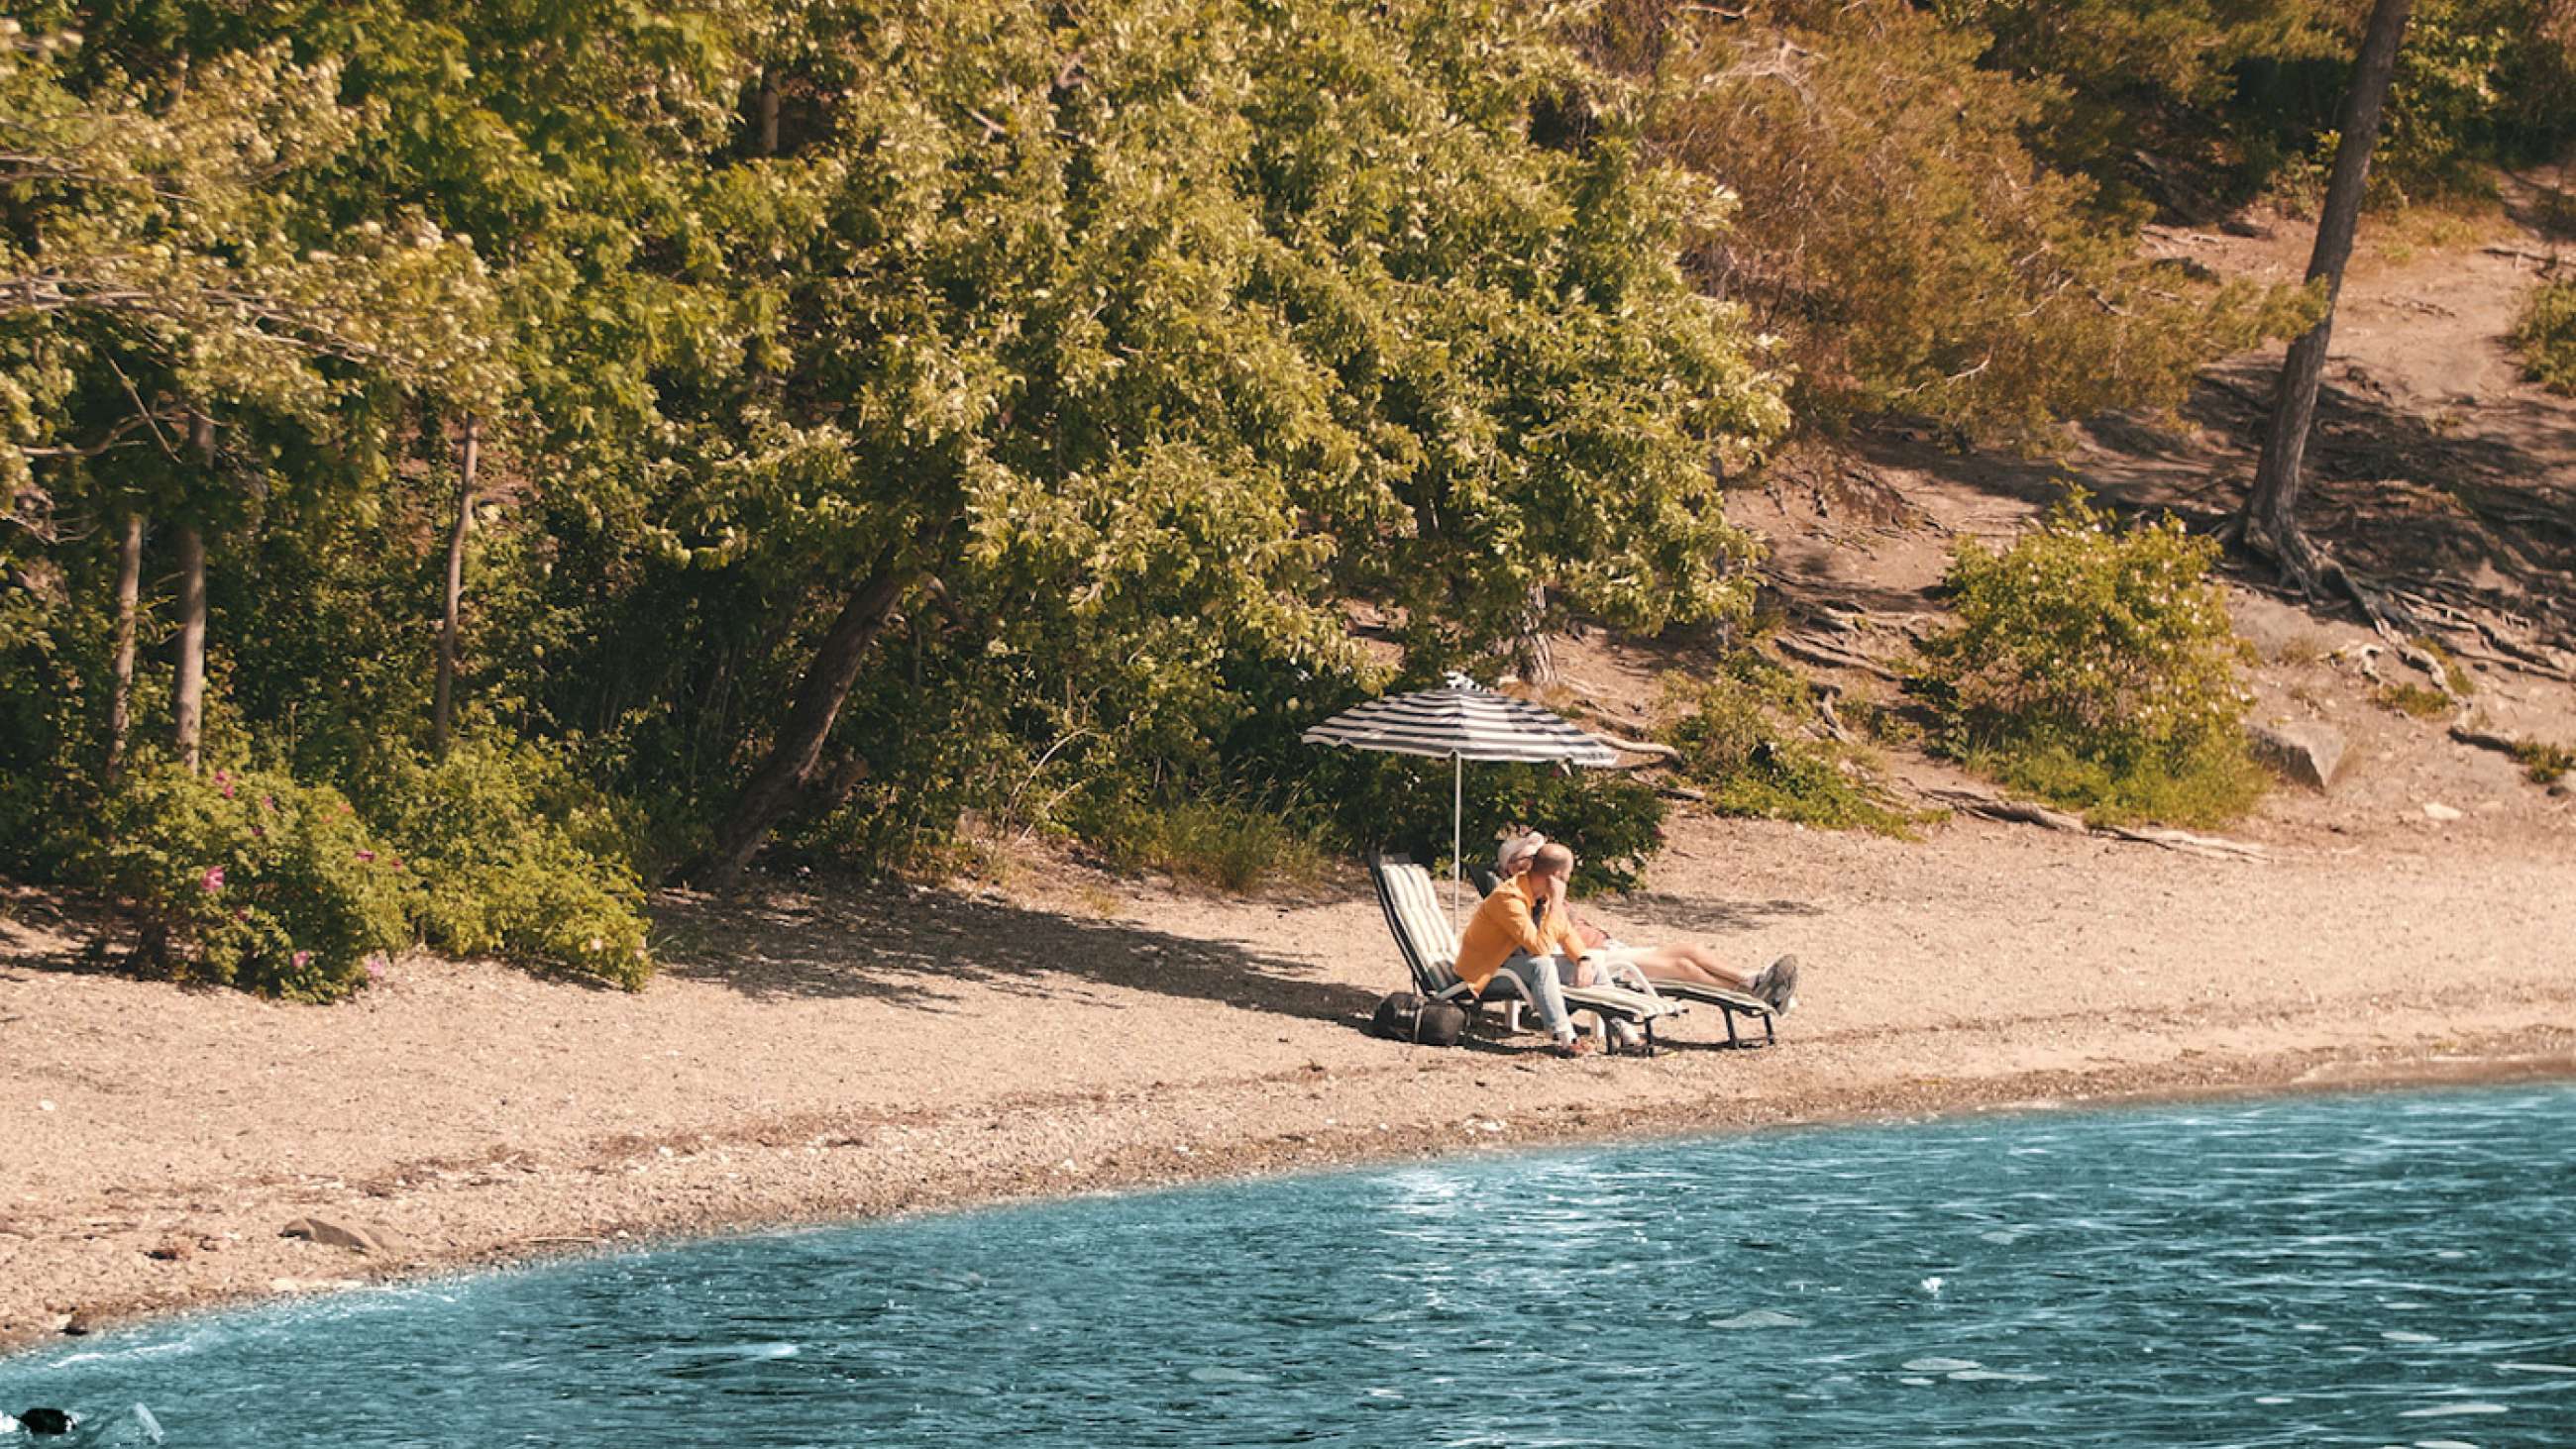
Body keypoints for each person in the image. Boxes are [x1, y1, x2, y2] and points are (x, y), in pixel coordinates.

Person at [1493, 831, 1798, 1015]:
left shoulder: (1545, 891)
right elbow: (1541, 945)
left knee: (1690, 949)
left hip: (1609, 948)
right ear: (1511, 868)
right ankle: (1752, 993)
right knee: (1682, 969)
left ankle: (1752, 980)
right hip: (1594, 961)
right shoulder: (1520, 900)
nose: (1539, 865)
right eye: (1528, 860)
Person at [1452, 841, 1604, 1057]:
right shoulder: (1508, 898)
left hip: (1516, 966)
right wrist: (1558, 901)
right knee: (1542, 965)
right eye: (1569, 872)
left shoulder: (1544, 895)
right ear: (1558, 874)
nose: (1570, 878)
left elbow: (1565, 932)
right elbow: (1540, 948)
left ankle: (1626, 1033)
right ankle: (1565, 1039)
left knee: (1594, 961)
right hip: (1485, 973)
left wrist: (1583, 959)